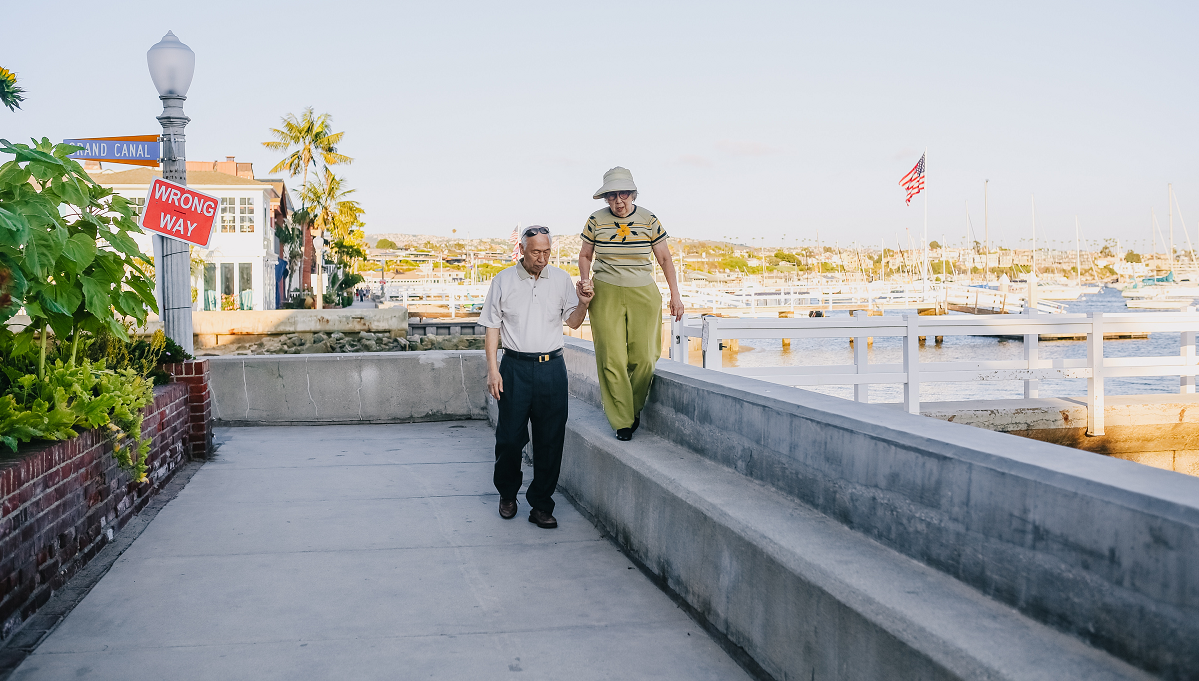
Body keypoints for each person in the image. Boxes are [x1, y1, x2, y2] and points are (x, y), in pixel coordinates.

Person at [481, 226, 593, 528]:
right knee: (508, 439)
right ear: (522, 248)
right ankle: (507, 493)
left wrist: (583, 302)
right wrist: (493, 370)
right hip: (514, 368)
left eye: (547, 252)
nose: (542, 258)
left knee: (550, 440)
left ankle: (542, 504)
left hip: (552, 369)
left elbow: (572, 321)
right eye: (535, 252)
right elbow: (492, 327)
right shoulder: (503, 280)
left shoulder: (560, 279)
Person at [577, 167, 684, 442]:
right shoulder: (595, 220)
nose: (618, 201)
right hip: (605, 293)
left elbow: (665, 259)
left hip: (643, 292)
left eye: (623, 194)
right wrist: (585, 280)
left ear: (633, 194)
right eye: (612, 196)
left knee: (646, 357)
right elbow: (586, 255)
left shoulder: (649, 219)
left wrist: (675, 295)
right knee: (612, 358)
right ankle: (622, 420)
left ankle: (632, 408)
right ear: (606, 199)